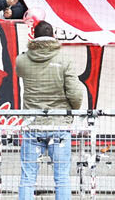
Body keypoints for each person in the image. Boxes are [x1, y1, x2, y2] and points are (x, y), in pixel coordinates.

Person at [15, 21, 84, 200]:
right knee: (61, 178)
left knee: (27, 177)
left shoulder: (21, 60)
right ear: (54, 36)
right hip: (59, 124)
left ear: (33, 36)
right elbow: (75, 94)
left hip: (32, 125)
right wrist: (72, 109)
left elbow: (20, 72)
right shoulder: (64, 59)